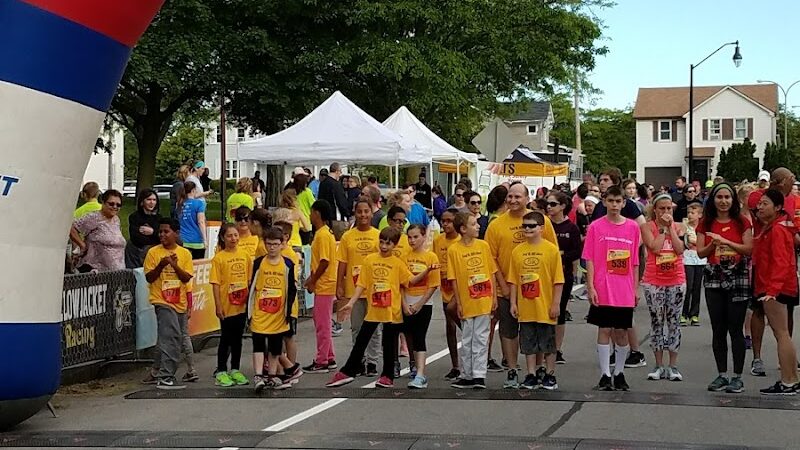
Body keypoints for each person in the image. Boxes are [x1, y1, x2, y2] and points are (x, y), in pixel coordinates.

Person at [327, 227, 434, 388]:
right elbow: (361, 284)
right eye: (382, 242)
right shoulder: (369, 260)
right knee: (361, 340)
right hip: (374, 309)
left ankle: (387, 376)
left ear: (395, 245)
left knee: (389, 344)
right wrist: (350, 303)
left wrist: (427, 270)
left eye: (388, 243)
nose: (384, 246)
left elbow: (410, 281)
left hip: (392, 311)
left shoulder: (398, 263)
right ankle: (349, 370)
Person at [484, 182, 557, 385]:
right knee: (509, 329)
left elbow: (552, 253)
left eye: (518, 197)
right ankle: (512, 368)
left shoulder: (542, 221)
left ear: (527, 199)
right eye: (510, 197)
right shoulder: (496, 225)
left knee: (538, 327)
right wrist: (504, 287)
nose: (513, 200)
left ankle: (539, 368)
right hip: (506, 288)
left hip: (538, 289)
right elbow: (492, 260)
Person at [583, 185, 641, 391]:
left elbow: (635, 261)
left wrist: (635, 288)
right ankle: (605, 374)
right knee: (604, 329)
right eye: (611, 201)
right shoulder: (595, 227)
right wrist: (590, 286)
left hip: (623, 287)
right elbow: (589, 258)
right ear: (605, 202)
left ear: (624, 203)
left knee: (622, 332)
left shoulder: (633, 228)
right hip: (603, 286)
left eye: (618, 201)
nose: (614, 205)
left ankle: (620, 372)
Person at [696, 183, 752, 394]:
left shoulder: (742, 222)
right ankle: (721, 374)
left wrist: (726, 241)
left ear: (733, 199)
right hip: (714, 275)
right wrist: (713, 244)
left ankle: (737, 377)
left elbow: (748, 249)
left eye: (727, 197)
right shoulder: (705, 222)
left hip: (737, 275)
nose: (723, 201)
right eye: (719, 197)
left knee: (735, 328)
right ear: (713, 200)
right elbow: (701, 253)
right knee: (718, 329)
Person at [592, 168, 647, 369]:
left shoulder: (630, 206)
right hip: (604, 273)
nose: (602, 182)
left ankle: (635, 351)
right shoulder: (599, 209)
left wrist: (631, 245)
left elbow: (643, 227)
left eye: (605, 179)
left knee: (624, 319)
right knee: (606, 325)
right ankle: (611, 361)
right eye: (600, 179)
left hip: (625, 265)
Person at [747, 167, 798, 376]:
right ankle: (787, 374)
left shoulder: (778, 228)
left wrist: (773, 290)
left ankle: (788, 377)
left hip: (776, 283)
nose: (759, 207)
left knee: (782, 331)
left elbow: (781, 261)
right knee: (779, 329)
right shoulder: (771, 225)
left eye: (764, 205)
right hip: (768, 278)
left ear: (776, 208)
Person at [508, 211, 564, 390]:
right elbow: (514, 280)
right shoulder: (517, 251)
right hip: (526, 305)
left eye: (531, 226)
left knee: (548, 342)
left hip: (545, 305)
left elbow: (558, 280)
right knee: (528, 342)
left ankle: (550, 373)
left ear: (541, 228)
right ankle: (531, 373)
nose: (527, 229)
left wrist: (556, 303)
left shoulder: (551, 250)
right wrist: (513, 302)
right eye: (524, 226)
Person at [143, 218, 194, 390]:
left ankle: (158, 372)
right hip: (161, 300)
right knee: (170, 337)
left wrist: (174, 265)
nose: (162, 235)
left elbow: (186, 278)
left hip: (179, 301)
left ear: (176, 233)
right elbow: (149, 277)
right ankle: (165, 376)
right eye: (160, 232)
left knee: (174, 339)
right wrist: (162, 264)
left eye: (166, 231)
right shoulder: (153, 253)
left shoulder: (185, 254)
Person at [448, 212, 498, 389]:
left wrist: (493, 297)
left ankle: (479, 375)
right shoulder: (454, 250)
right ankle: (466, 374)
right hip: (467, 300)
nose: (477, 226)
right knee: (467, 337)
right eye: (473, 224)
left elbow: (491, 271)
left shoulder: (483, 246)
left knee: (481, 338)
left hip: (483, 298)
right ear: (463, 229)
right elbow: (453, 278)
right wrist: (459, 303)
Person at [640, 194, 686, 382]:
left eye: (669, 209)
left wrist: (671, 229)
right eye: (662, 209)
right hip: (654, 281)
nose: (666, 212)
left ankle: (673, 366)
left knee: (674, 322)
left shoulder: (679, 226)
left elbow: (680, 249)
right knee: (657, 322)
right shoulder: (646, 227)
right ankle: (658, 365)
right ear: (655, 210)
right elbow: (655, 248)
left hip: (676, 279)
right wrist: (662, 230)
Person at [336, 198, 381, 376]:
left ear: (371, 213)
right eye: (359, 211)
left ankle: (372, 361)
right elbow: (342, 262)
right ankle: (358, 359)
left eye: (366, 211)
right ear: (355, 213)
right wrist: (339, 284)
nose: (363, 215)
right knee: (357, 327)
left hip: (374, 289)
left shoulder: (378, 235)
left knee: (375, 328)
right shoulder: (348, 236)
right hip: (353, 289)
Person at [249, 227, 296, 391]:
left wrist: (288, 312)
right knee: (258, 344)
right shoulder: (258, 263)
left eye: (276, 244)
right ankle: (258, 375)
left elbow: (292, 289)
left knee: (276, 347)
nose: (272, 248)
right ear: (264, 244)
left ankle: (272, 375)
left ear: (283, 244)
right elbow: (252, 286)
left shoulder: (288, 264)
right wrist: (250, 311)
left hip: (278, 313)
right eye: (269, 244)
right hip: (260, 311)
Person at [210, 223, 253, 387]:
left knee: (238, 339)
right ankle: (221, 370)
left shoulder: (245, 255)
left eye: (236, 235)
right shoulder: (219, 259)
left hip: (241, 304)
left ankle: (235, 368)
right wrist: (218, 305)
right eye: (229, 236)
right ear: (223, 238)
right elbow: (215, 284)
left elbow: (249, 280)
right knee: (226, 338)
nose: (233, 239)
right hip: (226, 305)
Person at [302, 200, 339, 373]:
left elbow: (324, 261)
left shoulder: (323, 235)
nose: (309, 215)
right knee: (322, 320)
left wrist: (313, 280)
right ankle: (329, 356)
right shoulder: (324, 233)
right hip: (324, 283)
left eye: (311, 212)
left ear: (317, 213)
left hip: (325, 284)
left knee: (322, 323)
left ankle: (322, 359)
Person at [545, 191, 581, 365]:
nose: (549, 207)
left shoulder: (571, 228)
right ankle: (544, 346)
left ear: (562, 206)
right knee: (544, 311)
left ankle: (557, 349)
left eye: (552, 204)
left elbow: (577, 251)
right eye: (548, 204)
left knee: (559, 311)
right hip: (544, 274)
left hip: (563, 273)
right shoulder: (544, 225)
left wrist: (561, 256)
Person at [403, 224, 441, 388]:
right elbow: (401, 283)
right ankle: (413, 363)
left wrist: (419, 303)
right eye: (409, 237)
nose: (412, 240)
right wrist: (404, 304)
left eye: (416, 237)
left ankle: (420, 374)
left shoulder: (431, 257)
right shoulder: (403, 257)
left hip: (423, 302)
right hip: (406, 301)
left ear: (424, 236)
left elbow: (433, 285)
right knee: (408, 334)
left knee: (419, 336)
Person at [434, 208, 463, 381]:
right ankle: (455, 365)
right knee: (449, 325)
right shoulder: (438, 241)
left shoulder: (461, 240)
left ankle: (472, 355)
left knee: (460, 320)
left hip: (459, 287)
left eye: (449, 221)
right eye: (443, 221)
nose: (445, 224)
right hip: (445, 286)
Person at [70, 189, 126, 272]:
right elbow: (71, 228)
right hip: (96, 271)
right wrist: (82, 245)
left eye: (118, 205)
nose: (115, 207)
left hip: (117, 272)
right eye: (111, 204)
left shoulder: (116, 220)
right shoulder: (94, 217)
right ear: (103, 202)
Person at [681, 203, 706, 327]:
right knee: (688, 286)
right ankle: (683, 313)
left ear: (700, 215)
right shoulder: (684, 227)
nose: (690, 215)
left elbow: (704, 242)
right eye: (688, 213)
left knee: (697, 287)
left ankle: (694, 314)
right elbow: (687, 241)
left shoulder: (703, 227)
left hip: (700, 260)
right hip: (687, 259)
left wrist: (696, 242)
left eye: (693, 213)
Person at [126, 188, 161, 269]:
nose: (152, 202)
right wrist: (155, 237)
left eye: (154, 200)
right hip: (136, 251)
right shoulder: (135, 217)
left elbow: (161, 237)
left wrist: (152, 232)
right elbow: (136, 238)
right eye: (149, 199)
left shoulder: (159, 218)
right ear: (142, 202)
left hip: (153, 252)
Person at [317, 162, 350, 238]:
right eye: (340, 172)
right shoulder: (336, 185)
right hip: (336, 218)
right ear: (337, 171)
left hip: (324, 218)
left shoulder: (322, 183)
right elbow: (340, 201)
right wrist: (347, 213)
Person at [176, 181, 207, 259]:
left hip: (183, 239)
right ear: (193, 190)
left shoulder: (179, 204)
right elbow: (201, 222)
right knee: (197, 267)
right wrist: (205, 239)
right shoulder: (199, 203)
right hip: (196, 239)